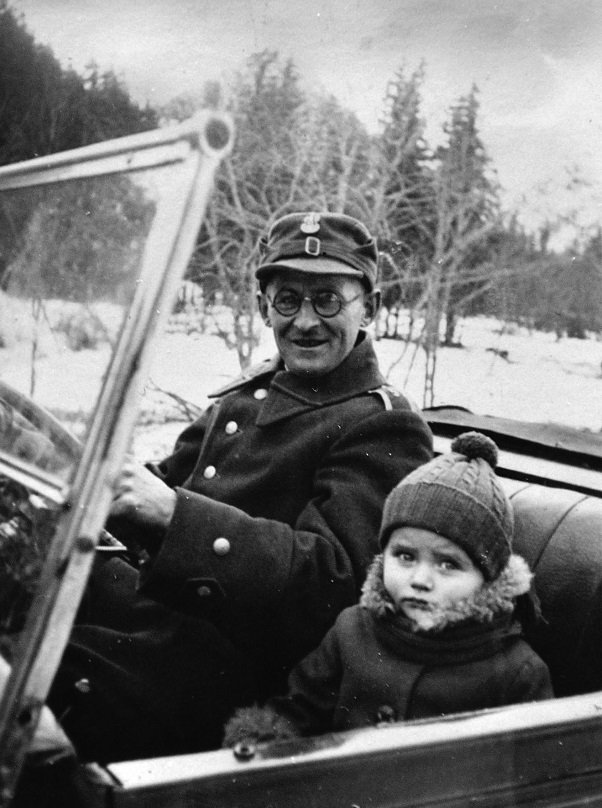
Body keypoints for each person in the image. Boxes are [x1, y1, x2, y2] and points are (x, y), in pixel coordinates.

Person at [48, 211, 433, 761]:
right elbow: (161, 485)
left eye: (328, 300)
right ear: (262, 307)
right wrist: (67, 473)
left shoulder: (383, 425)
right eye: (287, 300)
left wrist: (175, 516)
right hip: (143, 625)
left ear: (369, 308)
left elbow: (334, 585)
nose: (305, 321)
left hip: (221, 682)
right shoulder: (247, 396)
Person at [223, 431, 554, 747]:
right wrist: (264, 745)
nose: (420, 579)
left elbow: (532, 768)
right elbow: (299, 710)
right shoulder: (352, 630)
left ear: (489, 577)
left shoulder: (516, 672)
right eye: (405, 556)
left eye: (448, 564)